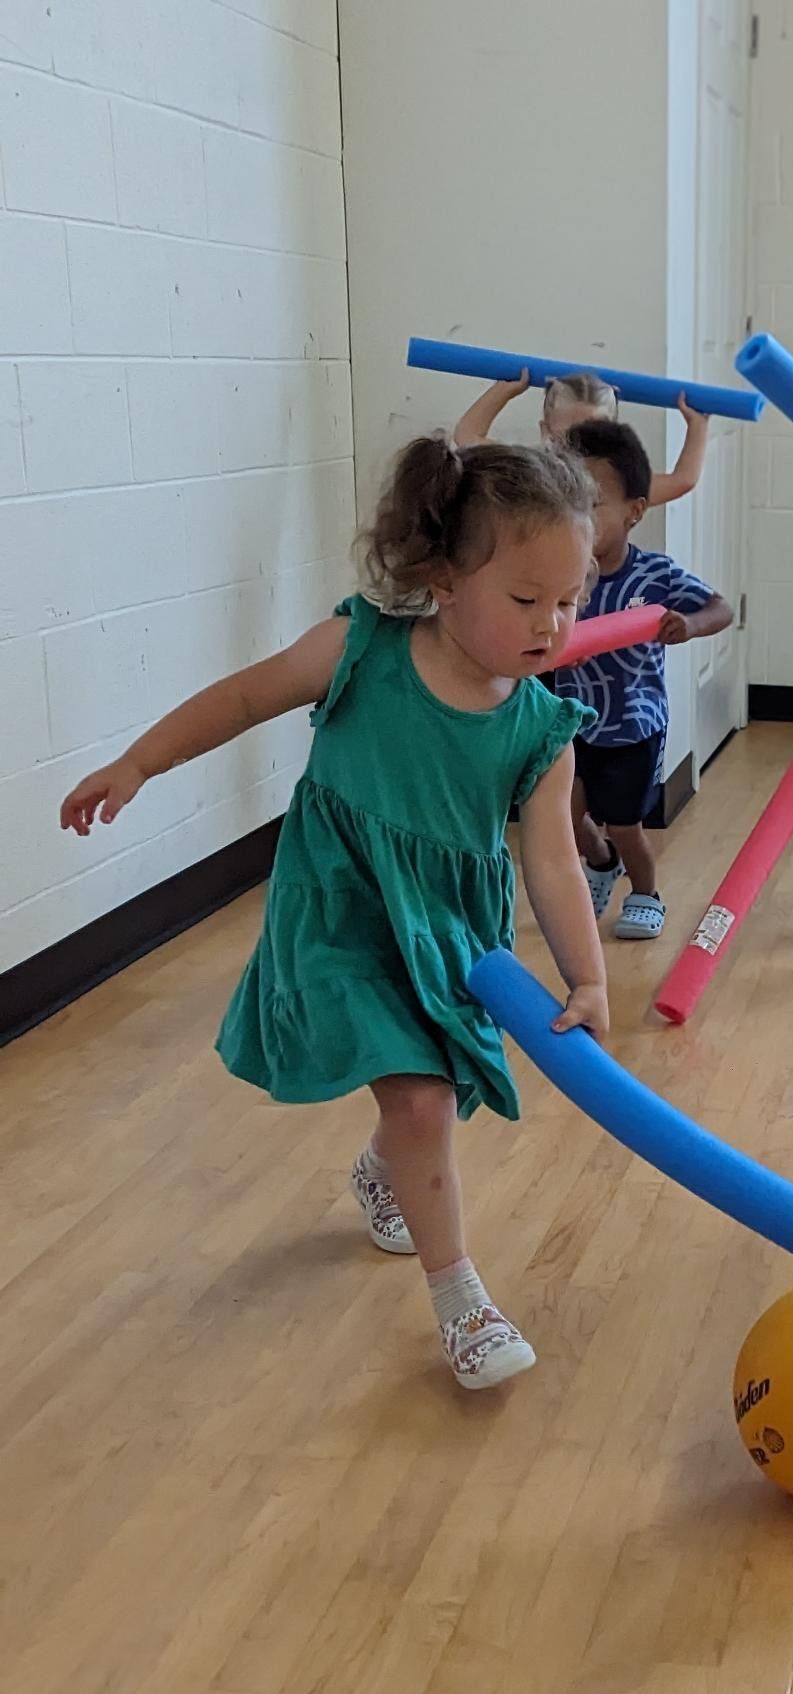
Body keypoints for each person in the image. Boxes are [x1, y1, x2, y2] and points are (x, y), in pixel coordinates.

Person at [59, 435, 608, 1390]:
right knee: (421, 1097)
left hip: (445, 932)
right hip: (341, 911)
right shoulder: (360, 651)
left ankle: (381, 1170)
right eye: (526, 600)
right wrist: (138, 763)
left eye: (569, 602)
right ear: (441, 580)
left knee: (421, 1102)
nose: (552, 626)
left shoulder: (540, 731)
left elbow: (553, 864)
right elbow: (241, 697)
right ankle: (462, 1303)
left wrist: (589, 975)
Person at [550, 418, 733, 940]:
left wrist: (690, 625)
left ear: (633, 512)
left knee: (627, 823)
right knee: (563, 817)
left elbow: (720, 608)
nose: (577, 517)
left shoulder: (655, 574)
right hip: (574, 720)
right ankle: (602, 863)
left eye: (592, 503)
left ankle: (647, 894)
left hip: (633, 726)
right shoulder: (561, 572)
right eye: (569, 501)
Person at [454, 370, 709, 508]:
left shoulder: (617, 485)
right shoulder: (532, 471)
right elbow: (467, 436)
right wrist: (504, 390)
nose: (583, 450)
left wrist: (697, 426)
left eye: (595, 436)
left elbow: (682, 480)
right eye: (571, 439)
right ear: (547, 433)